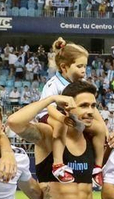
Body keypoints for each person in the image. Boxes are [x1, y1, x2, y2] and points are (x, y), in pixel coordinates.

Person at [39, 38, 109, 189]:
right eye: (79, 66)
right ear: (64, 67)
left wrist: (104, 128)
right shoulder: (53, 84)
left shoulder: (79, 85)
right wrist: (62, 118)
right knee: (60, 125)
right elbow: (50, 108)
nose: (84, 70)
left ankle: (97, 168)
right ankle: (58, 164)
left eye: (85, 66)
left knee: (99, 128)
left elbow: (93, 109)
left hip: (70, 116)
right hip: (51, 116)